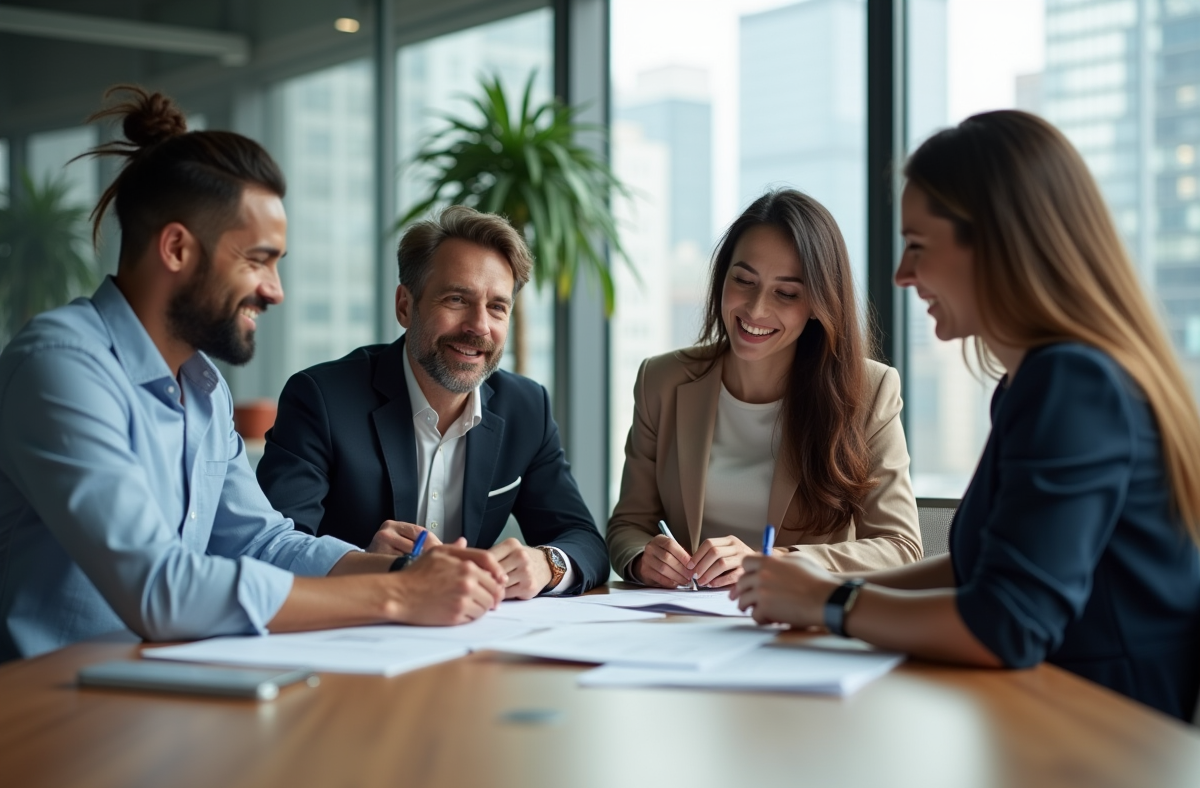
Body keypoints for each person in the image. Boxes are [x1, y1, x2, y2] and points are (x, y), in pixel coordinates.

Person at [0, 87, 508, 662]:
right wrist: (397, 593)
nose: (275, 290)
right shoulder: (61, 368)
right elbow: (159, 590)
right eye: (257, 260)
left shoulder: (204, 389)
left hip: (155, 699)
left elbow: (260, 540)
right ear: (176, 249)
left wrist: (409, 566)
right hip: (46, 713)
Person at [733, 111, 1200, 721]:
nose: (902, 275)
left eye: (918, 247)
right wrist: (819, 593)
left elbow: (1007, 622)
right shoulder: (1034, 381)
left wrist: (831, 604)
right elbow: (988, 570)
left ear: (1002, 245)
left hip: (1099, 742)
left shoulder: (1073, 384)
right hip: (1041, 721)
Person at [256, 206, 609, 598]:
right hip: (349, 635)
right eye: (457, 299)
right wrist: (362, 562)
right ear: (405, 306)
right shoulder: (320, 399)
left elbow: (584, 540)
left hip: (468, 638)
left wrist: (547, 563)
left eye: (497, 306)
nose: (479, 326)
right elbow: (269, 547)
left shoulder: (527, 407)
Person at [607, 190, 922, 590]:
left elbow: (900, 546)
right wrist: (641, 558)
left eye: (786, 293)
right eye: (744, 281)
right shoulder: (662, 380)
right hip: (683, 620)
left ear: (817, 303)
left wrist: (771, 562)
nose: (756, 310)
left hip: (796, 626)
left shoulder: (869, 391)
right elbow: (628, 524)